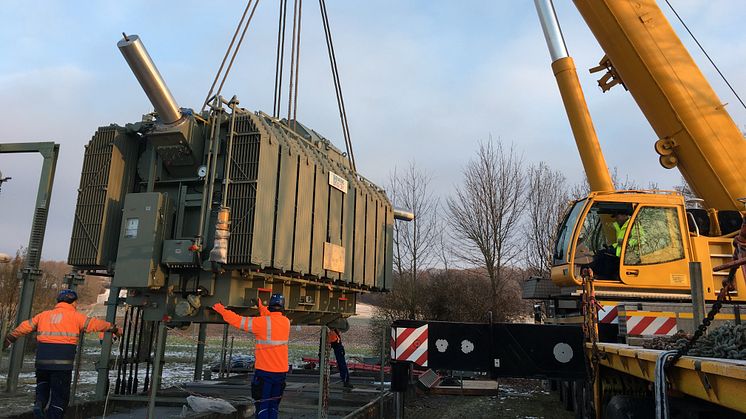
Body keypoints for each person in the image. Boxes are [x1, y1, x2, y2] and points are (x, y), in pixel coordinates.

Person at [2, 289, 121, 419]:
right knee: (60, 397)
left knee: (43, 383)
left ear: (58, 301)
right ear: (74, 303)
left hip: (42, 360)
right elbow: (96, 324)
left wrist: (10, 337)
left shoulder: (43, 315)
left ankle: (39, 403)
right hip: (62, 364)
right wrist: (113, 328)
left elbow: (26, 326)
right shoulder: (77, 317)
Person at [212, 294, 289, 419]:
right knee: (273, 406)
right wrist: (260, 306)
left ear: (270, 306)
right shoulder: (285, 322)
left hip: (265, 373)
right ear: (282, 307)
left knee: (262, 407)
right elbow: (270, 318)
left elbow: (237, 320)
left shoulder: (261, 323)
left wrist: (220, 309)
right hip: (281, 373)